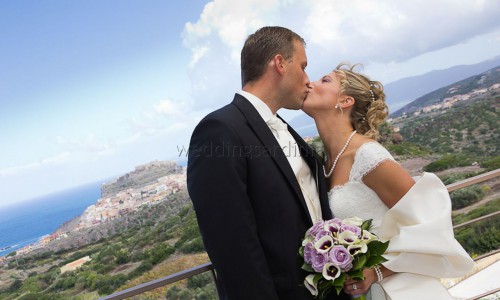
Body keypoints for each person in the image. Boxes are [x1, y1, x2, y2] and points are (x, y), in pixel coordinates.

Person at [187, 27, 350, 300]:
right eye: (303, 66)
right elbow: (232, 248)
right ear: (280, 64)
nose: (308, 80)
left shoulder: (283, 127)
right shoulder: (219, 130)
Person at [301, 63, 474, 299]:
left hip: (401, 291)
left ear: (345, 101)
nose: (310, 83)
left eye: (325, 80)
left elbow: (429, 225)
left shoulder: (368, 156)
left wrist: (378, 272)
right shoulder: (323, 164)